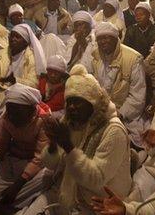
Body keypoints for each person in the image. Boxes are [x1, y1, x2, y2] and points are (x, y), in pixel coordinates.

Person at [18, 65, 131, 215]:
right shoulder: (72, 122)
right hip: (67, 192)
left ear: (93, 103)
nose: (71, 107)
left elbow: (96, 179)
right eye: (69, 101)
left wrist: (68, 147)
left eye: (78, 101)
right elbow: (51, 165)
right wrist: (52, 144)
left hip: (98, 204)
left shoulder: (114, 130)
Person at [0, 84, 50, 215]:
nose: (12, 116)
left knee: (47, 177)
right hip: (12, 160)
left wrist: (17, 185)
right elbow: (0, 147)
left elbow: (39, 157)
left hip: (34, 165)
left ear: (31, 109)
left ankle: (9, 206)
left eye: (17, 113)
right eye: (10, 111)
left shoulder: (43, 121)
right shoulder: (7, 117)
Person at [88, 22, 147, 148]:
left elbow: (137, 97)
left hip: (125, 114)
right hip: (101, 111)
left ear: (116, 39)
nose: (103, 42)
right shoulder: (95, 57)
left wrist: (118, 114)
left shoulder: (133, 58)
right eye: (100, 39)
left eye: (107, 37)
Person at [0, 23, 46, 113]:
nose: (13, 39)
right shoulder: (2, 54)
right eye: (12, 36)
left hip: (20, 96)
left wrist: (14, 80)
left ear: (26, 41)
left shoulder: (32, 58)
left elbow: (34, 84)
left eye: (17, 37)